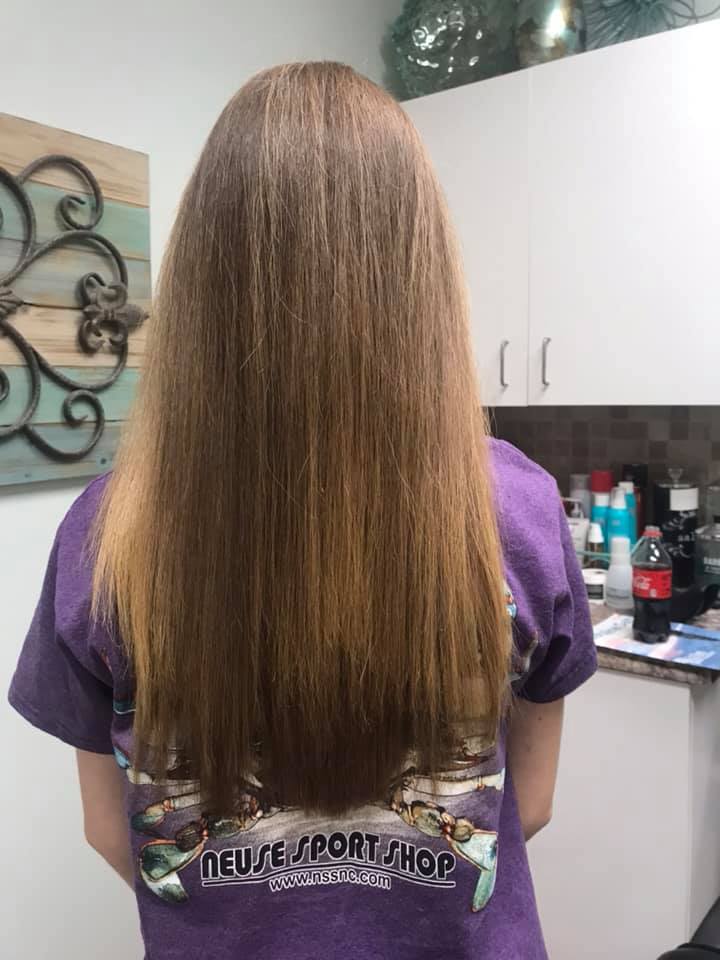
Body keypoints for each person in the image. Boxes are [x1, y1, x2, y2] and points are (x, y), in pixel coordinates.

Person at [8, 62, 596, 960]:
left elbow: (108, 829)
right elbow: (533, 803)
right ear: (420, 277)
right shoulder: (515, 509)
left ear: (205, 282)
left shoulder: (105, 534)